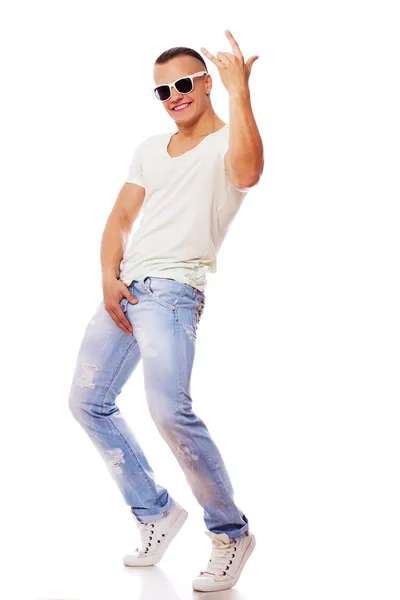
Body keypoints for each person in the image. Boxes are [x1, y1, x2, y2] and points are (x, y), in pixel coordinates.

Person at [68, 33, 264, 593]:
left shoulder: (229, 142)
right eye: (162, 90)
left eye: (183, 83)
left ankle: (231, 533)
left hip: (174, 292)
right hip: (126, 289)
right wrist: (107, 277)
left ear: (204, 83)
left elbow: (249, 174)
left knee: (169, 412)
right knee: (86, 401)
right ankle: (155, 511)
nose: (174, 95)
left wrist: (239, 93)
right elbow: (120, 217)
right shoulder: (151, 148)